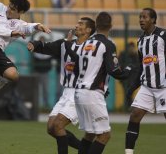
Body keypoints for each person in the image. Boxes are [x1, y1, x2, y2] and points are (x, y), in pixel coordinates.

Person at [27, 17, 96, 154]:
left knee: (58, 125)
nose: (76, 25)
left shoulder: (92, 48)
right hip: (66, 92)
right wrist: (34, 45)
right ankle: (87, 150)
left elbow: (83, 63)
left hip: (80, 92)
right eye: (77, 23)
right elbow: (47, 47)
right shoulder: (64, 44)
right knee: (51, 128)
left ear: (88, 30)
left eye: (80, 24)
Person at [74, 12, 133, 154]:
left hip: (79, 92)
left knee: (90, 134)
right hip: (92, 93)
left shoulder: (85, 43)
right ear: (111, 26)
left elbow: (76, 68)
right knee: (104, 135)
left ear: (96, 26)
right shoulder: (108, 44)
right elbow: (114, 71)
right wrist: (130, 69)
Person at [125, 8, 166, 154]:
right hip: (147, 87)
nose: (141, 19)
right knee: (135, 114)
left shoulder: (163, 35)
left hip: (164, 87)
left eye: (145, 17)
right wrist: (132, 88)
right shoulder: (140, 40)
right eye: (140, 17)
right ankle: (128, 152)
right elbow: (141, 66)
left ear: (153, 20)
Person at [32, 35, 52, 109]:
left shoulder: (48, 50)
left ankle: (45, 105)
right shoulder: (35, 50)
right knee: (36, 89)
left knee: (45, 90)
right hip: (36, 72)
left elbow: (49, 61)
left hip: (45, 72)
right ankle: (35, 105)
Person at [118, 42, 139, 110]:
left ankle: (129, 106)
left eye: (132, 47)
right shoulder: (123, 54)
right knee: (126, 92)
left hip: (133, 78)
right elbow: (119, 64)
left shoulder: (136, 55)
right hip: (124, 77)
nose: (130, 49)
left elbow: (138, 66)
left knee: (130, 92)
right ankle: (129, 106)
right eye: (129, 47)